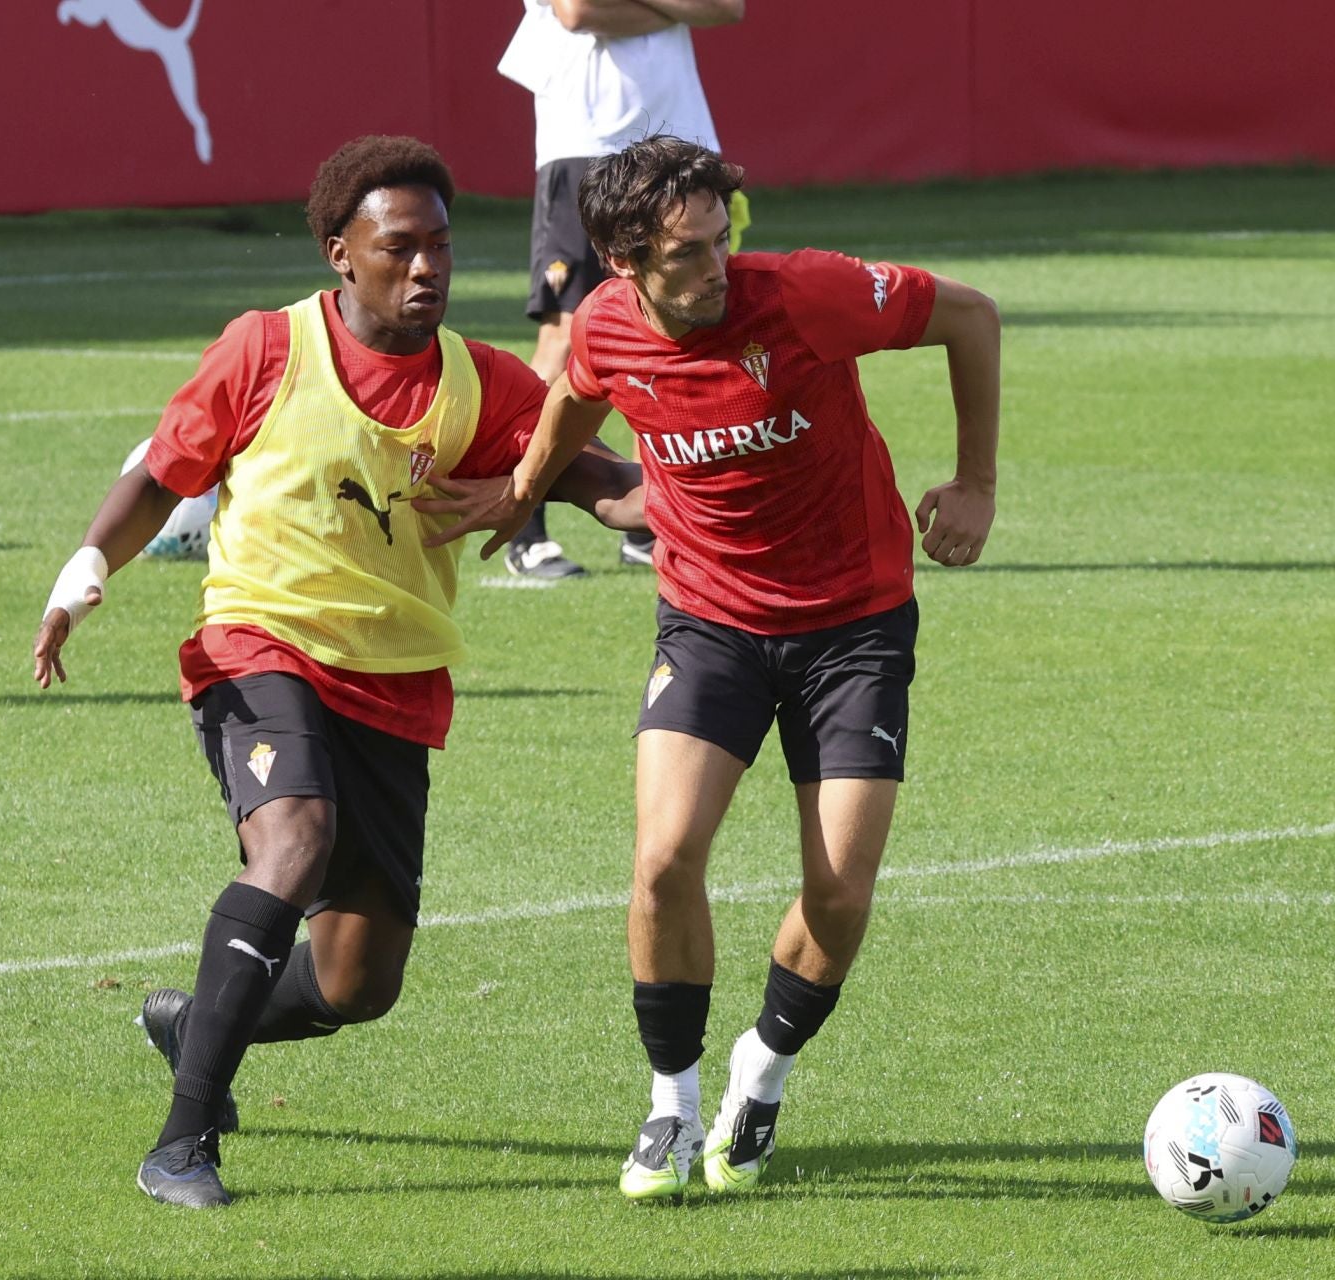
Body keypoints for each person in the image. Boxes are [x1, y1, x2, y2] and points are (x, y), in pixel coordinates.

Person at [30, 134, 644, 1209]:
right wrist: (84, 572)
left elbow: (599, 478)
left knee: (359, 982)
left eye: (440, 245)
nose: (427, 267)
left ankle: (197, 1024)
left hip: (395, 684)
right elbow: (161, 475)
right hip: (258, 647)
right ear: (340, 253)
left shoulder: (483, 383)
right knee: (294, 840)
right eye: (399, 247)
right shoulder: (266, 349)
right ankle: (181, 1144)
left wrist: (702, 498)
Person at [428, 135, 1001, 1200]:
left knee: (839, 893)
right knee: (662, 860)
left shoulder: (807, 294)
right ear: (623, 262)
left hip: (855, 625)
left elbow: (970, 314)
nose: (715, 267)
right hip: (709, 621)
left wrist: (976, 482)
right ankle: (672, 1105)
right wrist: (521, 491)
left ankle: (762, 1070)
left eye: (718, 238)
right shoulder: (605, 324)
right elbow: (575, 396)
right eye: (686, 253)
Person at [496, 0, 746, 579]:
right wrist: (675, 10)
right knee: (566, 335)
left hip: (681, 145)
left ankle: (652, 521)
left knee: (675, 330)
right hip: (587, 142)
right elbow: (579, 11)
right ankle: (524, 523)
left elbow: (725, 7)